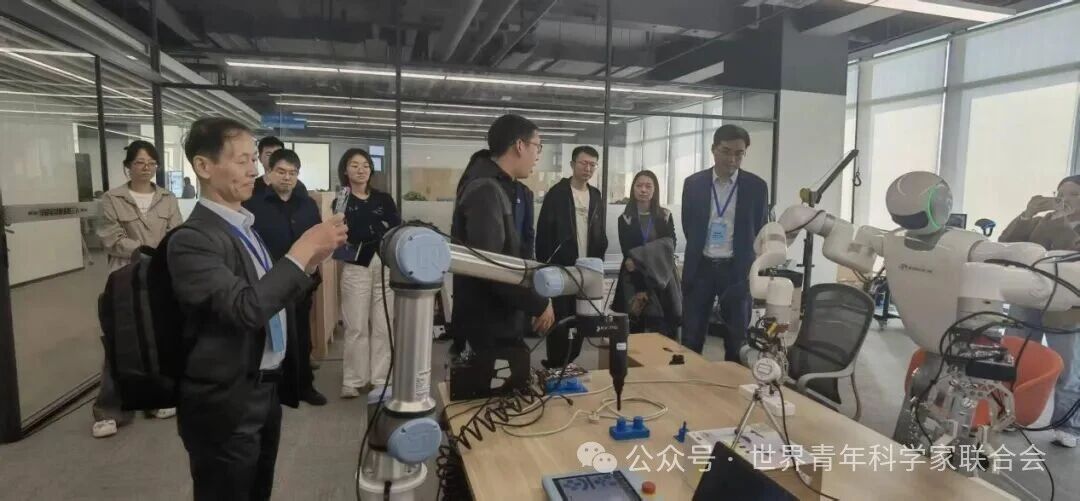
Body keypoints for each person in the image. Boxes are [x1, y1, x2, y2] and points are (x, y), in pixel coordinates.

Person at [168, 117, 347, 499]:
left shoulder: (244, 228)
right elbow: (245, 310)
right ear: (203, 166)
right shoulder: (193, 240)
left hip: (262, 392)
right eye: (242, 161)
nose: (254, 170)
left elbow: (272, 299)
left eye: (253, 159)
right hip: (227, 403)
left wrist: (310, 261)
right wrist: (301, 249)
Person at [93, 139, 184, 438]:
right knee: (119, 340)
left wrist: (160, 256)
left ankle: (154, 400)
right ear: (128, 167)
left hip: (159, 276)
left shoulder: (167, 197)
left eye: (152, 163)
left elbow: (176, 232)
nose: (146, 168)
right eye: (140, 163)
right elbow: (111, 238)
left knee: (157, 338)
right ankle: (109, 410)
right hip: (124, 277)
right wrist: (146, 252)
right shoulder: (112, 198)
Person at [451, 114, 555, 356]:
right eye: (537, 146)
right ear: (519, 145)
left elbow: (519, 252)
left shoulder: (508, 188)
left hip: (504, 315)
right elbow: (492, 265)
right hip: (487, 321)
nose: (538, 155)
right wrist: (538, 303)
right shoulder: (485, 189)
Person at [1000, 175, 1080, 448]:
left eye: (1073, 194)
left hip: (1066, 307)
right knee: (1015, 358)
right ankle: (1011, 414)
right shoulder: (1041, 221)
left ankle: (1068, 425)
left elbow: (1070, 251)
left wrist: (1062, 224)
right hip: (1027, 297)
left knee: (1068, 367)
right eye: (1060, 193)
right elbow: (1006, 242)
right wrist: (1027, 215)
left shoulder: (1062, 225)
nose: (1064, 199)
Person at [243, 148, 327, 406]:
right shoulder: (253, 205)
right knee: (270, 339)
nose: (287, 177)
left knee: (301, 335)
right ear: (268, 173)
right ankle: (273, 391)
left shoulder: (307, 205)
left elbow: (318, 239)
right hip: (268, 283)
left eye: (293, 172)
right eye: (281, 171)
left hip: (301, 281)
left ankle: (304, 386)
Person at [680, 125, 768, 357]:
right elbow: (689, 225)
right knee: (691, 337)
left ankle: (733, 379)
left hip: (736, 271)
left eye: (739, 153)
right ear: (713, 149)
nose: (732, 159)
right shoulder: (693, 184)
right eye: (726, 151)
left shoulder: (757, 187)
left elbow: (760, 228)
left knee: (736, 340)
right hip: (701, 268)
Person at [334, 148, 401, 399]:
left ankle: (381, 378)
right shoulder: (342, 198)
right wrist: (374, 228)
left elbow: (395, 227)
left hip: (384, 265)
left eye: (365, 165)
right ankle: (353, 380)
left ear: (371, 170)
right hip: (356, 265)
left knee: (384, 325)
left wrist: (371, 230)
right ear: (345, 170)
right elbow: (342, 230)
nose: (361, 170)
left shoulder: (384, 198)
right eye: (354, 165)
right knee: (356, 325)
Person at [536, 145, 607, 368]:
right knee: (561, 319)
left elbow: (599, 233)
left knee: (582, 319)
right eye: (583, 163)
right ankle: (555, 364)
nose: (588, 168)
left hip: (587, 271)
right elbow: (543, 234)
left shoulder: (596, 195)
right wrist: (545, 267)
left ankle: (570, 362)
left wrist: (599, 261)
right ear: (572, 164)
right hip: (562, 269)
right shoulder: (557, 194)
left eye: (593, 165)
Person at [613, 170, 680, 338]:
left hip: (663, 278)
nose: (643, 190)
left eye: (648, 186)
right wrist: (641, 287)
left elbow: (670, 245)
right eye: (639, 186)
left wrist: (641, 256)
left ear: (655, 189)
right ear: (633, 189)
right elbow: (629, 256)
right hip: (634, 280)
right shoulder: (625, 219)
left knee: (665, 331)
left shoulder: (665, 216)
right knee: (634, 330)